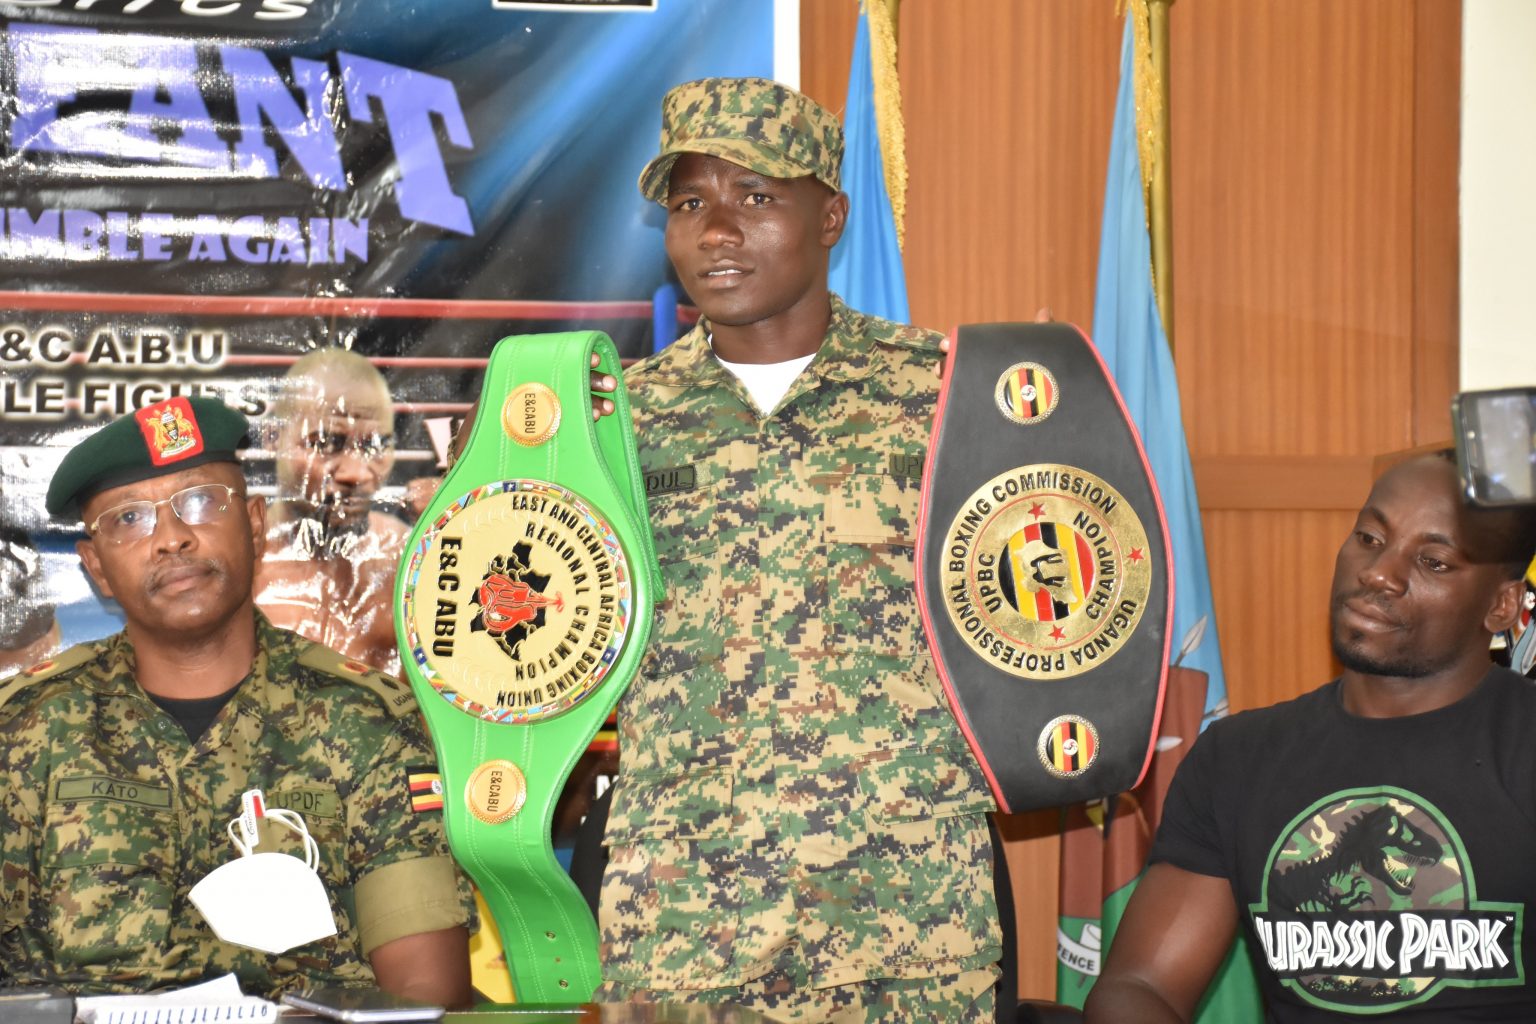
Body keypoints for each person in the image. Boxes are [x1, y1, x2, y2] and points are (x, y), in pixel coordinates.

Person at [594, 77, 1001, 1022]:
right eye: (688, 203)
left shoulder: (945, 396)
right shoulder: (610, 421)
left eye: (756, 196)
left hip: (907, 920)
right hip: (683, 917)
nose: (716, 231)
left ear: (831, 218)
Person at [0, 397, 473, 1003]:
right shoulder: (25, 729)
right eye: (129, 519)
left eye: (199, 502)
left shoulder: (366, 723)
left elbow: (425, 993)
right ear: (95, 566)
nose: (172, 539)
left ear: (253, 523)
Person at [1084, 451, 1536, 1022]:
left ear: (1501, 605)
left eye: (1433, 561)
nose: (1379, 573)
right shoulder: (1237, 758)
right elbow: (1141, 986)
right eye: (1370, 538)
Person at [254, 349, 408, 677]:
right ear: (273, 437)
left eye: (376, 446)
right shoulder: (236, 564)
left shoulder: (407, 557)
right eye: (325, 443)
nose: (357, 473)